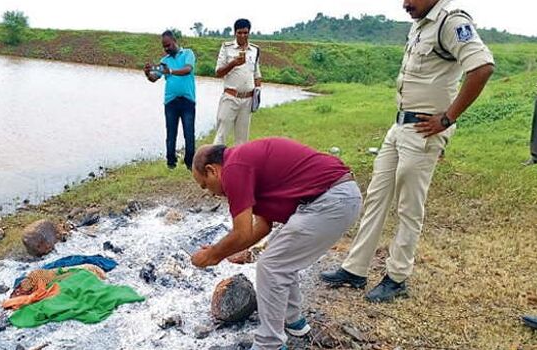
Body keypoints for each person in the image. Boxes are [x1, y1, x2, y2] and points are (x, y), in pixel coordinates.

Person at [320, 0, 495, 303]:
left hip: (425, 130)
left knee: (409, 205)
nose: (404, 3)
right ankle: (355, 269)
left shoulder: (451, 22)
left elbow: (482, 68)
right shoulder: (419, 24)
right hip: (399, 125)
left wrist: (447, 118)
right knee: (377, 196)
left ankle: (397, 277)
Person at [189, 138, 362, 350]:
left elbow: (241, 232)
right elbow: (262, 227)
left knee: (271, 266)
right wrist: (224, 252)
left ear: (212, 170)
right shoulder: (245, 164)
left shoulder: (234, 167)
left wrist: (212, 255)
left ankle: (269, 344)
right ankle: (294, 322)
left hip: (330, 201)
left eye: (205, 185)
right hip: (338, 197)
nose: (210, 193)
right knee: (281, 260)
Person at [143, 30, 196, 170]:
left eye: (168, 45)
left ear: (174, 41)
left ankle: (190, 162)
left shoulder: (188, 54)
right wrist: (148, 73)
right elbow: (154, 78)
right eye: (164, 46)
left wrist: (171, 71)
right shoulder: (164, 61)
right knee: (171, 133)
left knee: (189, 132)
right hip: (171, 102)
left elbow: (188, 70)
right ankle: (171, 162)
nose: (166, 48)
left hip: (187, 100)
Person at [213, 18, 262, 146]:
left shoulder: (255, 50)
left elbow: (257, 74)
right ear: (235, 33)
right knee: (221, 135)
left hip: (247, 100)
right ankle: (214, 164)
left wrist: (257, 93)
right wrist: (233, 63)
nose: (242, 36)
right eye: (239, 33)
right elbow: (218, 72)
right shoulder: (227, 48)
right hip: (230, 97)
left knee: (242, 140)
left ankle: (239, 165)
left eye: (245, 33)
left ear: (249, 33)